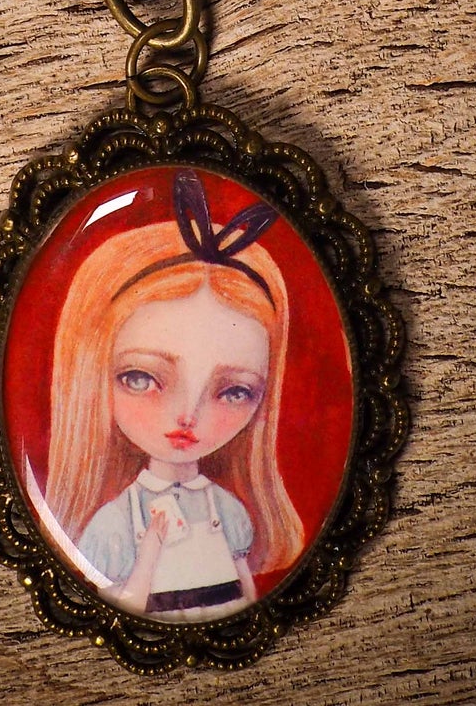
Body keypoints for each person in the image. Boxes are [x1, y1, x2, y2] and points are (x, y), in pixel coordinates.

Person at [44, 171, 304, 620]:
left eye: (234, 391)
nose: (187, 415)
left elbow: (248, 594)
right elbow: (119, 605)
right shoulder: (116, 521)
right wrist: (150, 549)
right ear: (91, 373)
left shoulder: (227, 509)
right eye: (141, 378)